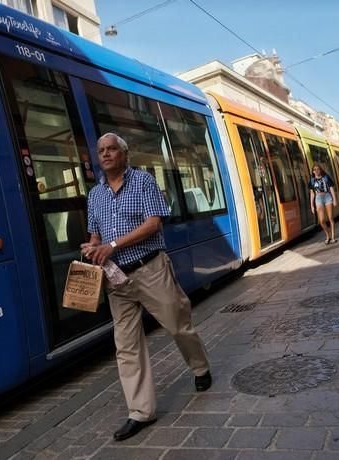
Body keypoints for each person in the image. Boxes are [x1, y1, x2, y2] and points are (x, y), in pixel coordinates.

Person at [82, 133, 212, 442]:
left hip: (150, 269)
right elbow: (95, 235)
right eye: (101, 150)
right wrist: (92, 247)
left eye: (112, 148)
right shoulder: (94, 195)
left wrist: (113, 244)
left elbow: (154, 223)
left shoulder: (142, 182)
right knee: (126, 346)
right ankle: (140, 412)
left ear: (124, 154)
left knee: (178, 326)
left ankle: (200, 367)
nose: (106, 154)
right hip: (117, 280)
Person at [308, 164, 338, 244]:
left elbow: (331, 188)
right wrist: (311, 205)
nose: (316, 171)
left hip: (327, 196)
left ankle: (333, 237)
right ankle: (328, 235)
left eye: (318, 169)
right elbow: (312, 193)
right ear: (313, 172)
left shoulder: (326, 177)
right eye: (315, 170)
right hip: (318, 198)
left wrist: (334, 200)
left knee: (330, 217)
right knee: (321, 220)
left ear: (320, 170)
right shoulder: (312, 180)